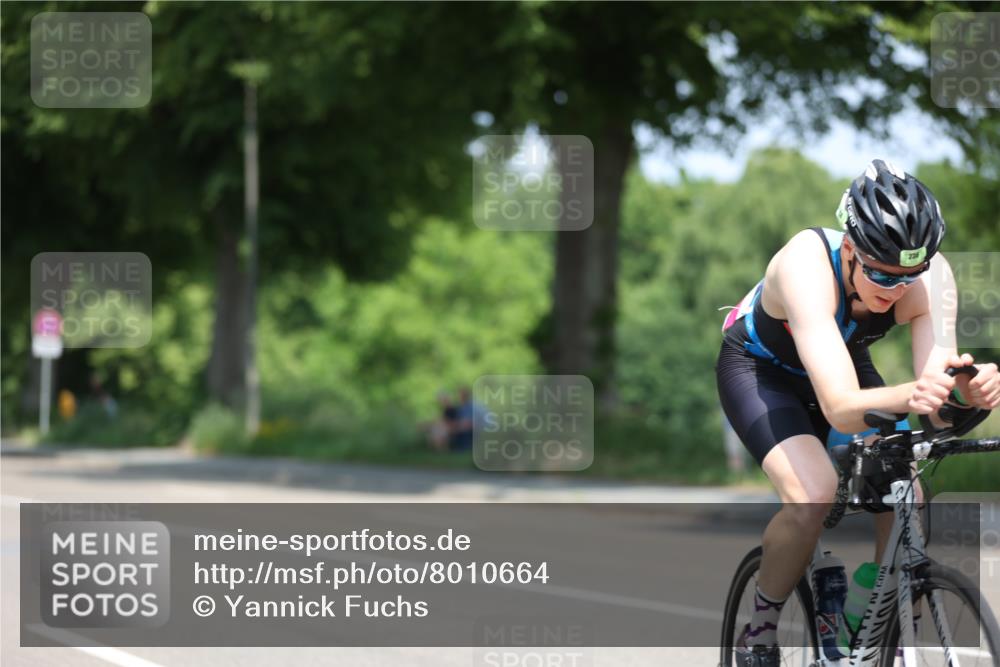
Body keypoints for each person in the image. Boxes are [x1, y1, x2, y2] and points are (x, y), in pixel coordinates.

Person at [715, 159, 1000, 666]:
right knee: (813, 494)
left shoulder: (930, 279)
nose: (893, 290)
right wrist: (917, 394)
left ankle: (867, 616)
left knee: (906, 491)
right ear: (850, 248)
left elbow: (934, 408)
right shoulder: (805, 264)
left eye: (908, 276)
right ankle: (758, 629)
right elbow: (842, 409)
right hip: (763, 371)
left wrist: (963, 396)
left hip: (841, 363)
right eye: (878, 274)